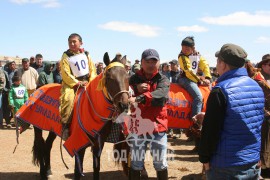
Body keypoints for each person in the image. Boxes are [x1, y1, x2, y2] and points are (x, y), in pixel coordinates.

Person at [197, 43, 264, 179]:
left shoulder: (220, 90)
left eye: (217, 61)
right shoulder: (256, 86)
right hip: (252, 161)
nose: (216, 65)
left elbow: (211, 130)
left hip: (226, 165)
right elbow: (254, 123)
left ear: (223, 64)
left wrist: (204, 158)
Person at [129, 49, 170, 180]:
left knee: (160, 163)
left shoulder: (163, 79)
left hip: (158, 127)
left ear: (159, 63)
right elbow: (125, 94)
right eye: (148, 61)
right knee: (136, 163)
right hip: (137, 127)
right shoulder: (132, 79)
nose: (151, 64)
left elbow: (161, 95)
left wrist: (139, 98)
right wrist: (136, 89)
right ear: (141, 62)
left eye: (154, 61)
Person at [59, 33, 96, 140]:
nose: (72, 44)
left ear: (81, 43)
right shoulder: (66, 55)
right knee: (68, 99)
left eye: (74, 41)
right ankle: (65, 125)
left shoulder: (86, 54)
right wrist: (77, 83)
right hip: (72, 84)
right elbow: (65, 72)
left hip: (87, 82)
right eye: (70, 42)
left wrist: (91, 81)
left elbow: (92, 69)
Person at [178, 36, 211, 118]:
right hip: (185, 79)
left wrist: (207, 77)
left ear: (193, 48)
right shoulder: (181, 56)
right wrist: (200, 80)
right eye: (183, 48)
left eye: (187, 49)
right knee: (198, 97)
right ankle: (195, 122)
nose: (185, 50)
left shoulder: (197, 54)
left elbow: (204, 64)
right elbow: (189, 71)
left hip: (195, 79)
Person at [256, 54, 270, 178]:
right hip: (263, 116)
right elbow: (256, 99)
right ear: (263, 65)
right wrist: (264, 110)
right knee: (263, 142)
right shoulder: (258, 80)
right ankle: (262, 169)